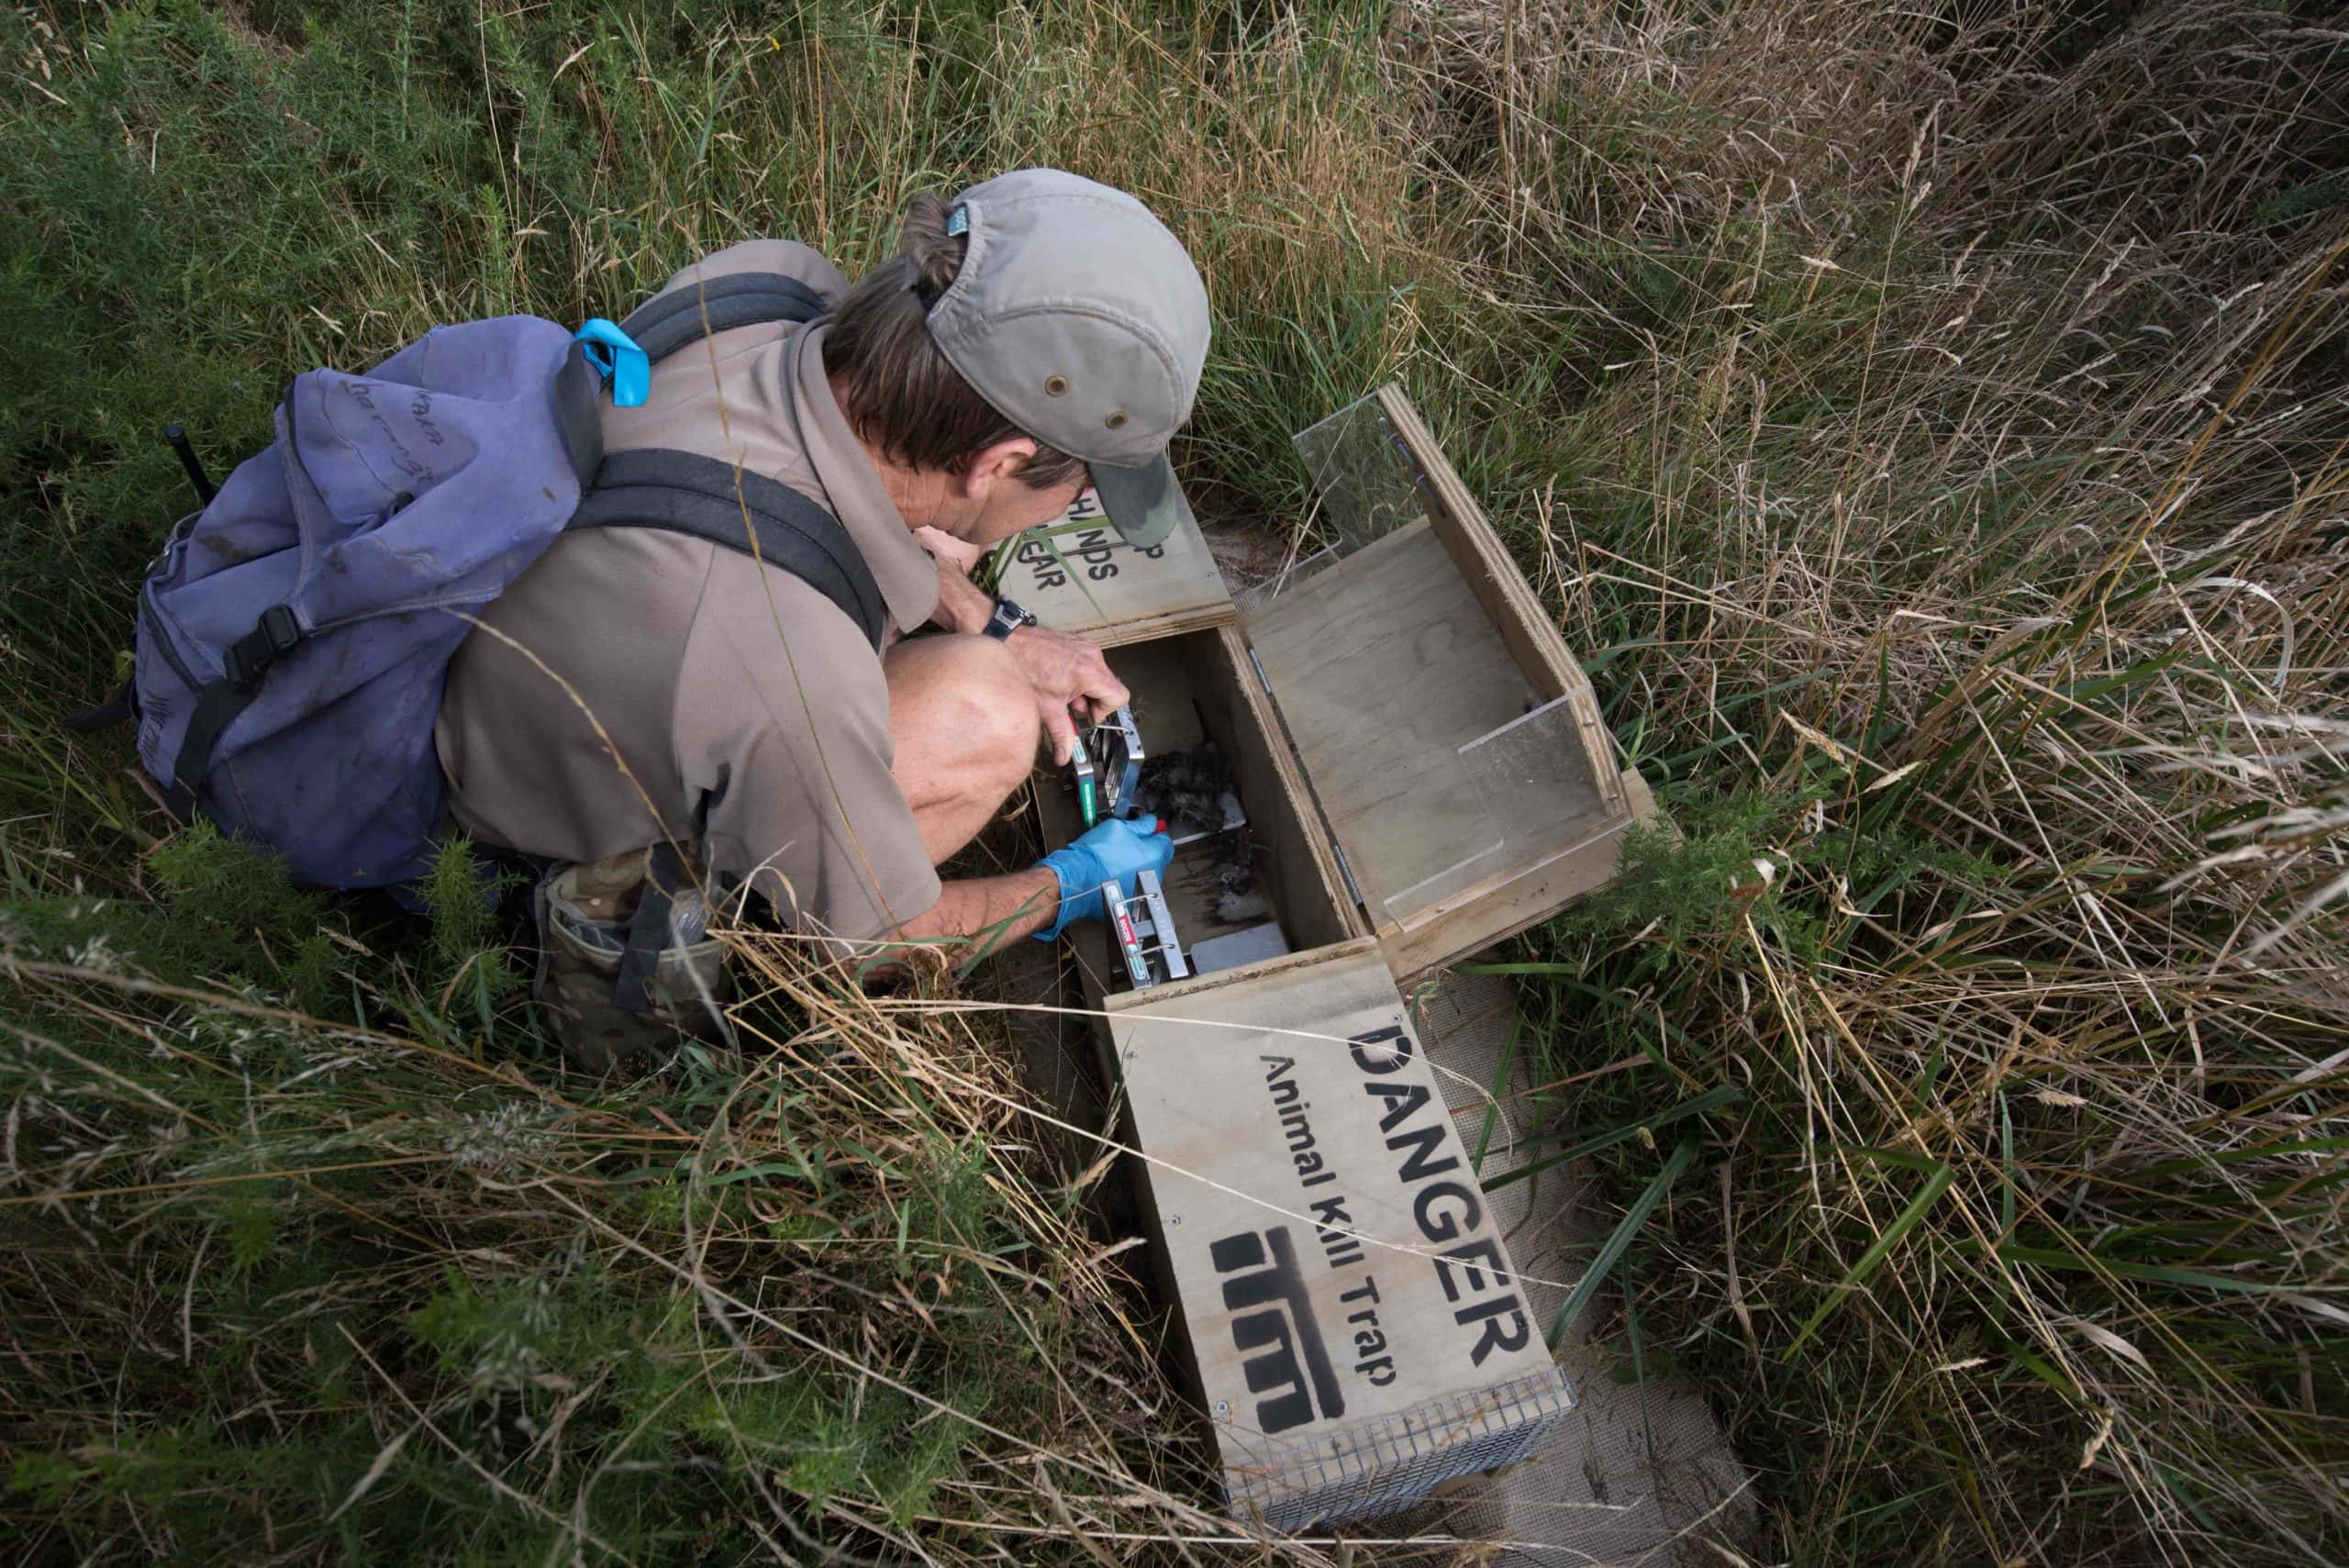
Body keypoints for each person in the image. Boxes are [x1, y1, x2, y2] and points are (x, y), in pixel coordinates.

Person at [432, 169, 1205, 1056]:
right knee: (984, 716)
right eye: (1077, 488)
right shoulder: (788, 665)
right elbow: (882, 939)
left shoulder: (772, 285)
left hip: (544, 647)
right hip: (516, 842)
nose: (1069, 507)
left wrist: (994, 626)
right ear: (996, 464)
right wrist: (1063, 886)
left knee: (973, 673)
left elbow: (800, 504)